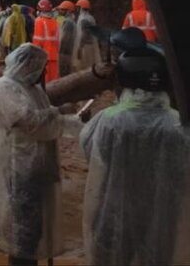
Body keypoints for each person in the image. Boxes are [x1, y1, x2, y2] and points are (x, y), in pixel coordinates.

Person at [0, 43, 85, 266]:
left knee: (34, 225)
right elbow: (27, 120)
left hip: (37, 166)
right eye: (40, 67)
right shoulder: (5, 87)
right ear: (26, 65)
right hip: (19, 166)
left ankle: (29, 258)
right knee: (23, 226)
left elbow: (45, 121)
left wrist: (68, 119)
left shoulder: (32, 88)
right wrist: (58, 113)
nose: (43, 73)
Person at [80, 48, 190, 265]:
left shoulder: (109, 120)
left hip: (113, 212)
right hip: (162, 215)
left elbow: (90, 153)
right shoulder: (178, 123)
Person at [32, 0, 60, 83]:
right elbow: (58, 40)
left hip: (43, 57)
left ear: (40, 10)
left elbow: (38, 41)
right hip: (54, 56)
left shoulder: (39, 21)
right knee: (54, 81)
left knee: (45, 82)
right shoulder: (55, 22)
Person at [72, 0, 102, 71]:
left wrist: (80, 47)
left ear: (81, 8)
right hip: (90, 45)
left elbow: (85, 35)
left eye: (78, 7)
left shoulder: (84, 19)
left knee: (84, 67)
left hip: (85, 46)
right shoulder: (90, 18)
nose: (77, 9)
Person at [56, 0, 77, 77]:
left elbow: (65, 39)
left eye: (62, 9)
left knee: (63, 74)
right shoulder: (71, 21)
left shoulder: (68, 22)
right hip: (68, 52)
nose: (60, 11)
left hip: (65, 53)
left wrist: (60, 51)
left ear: (67, 11)